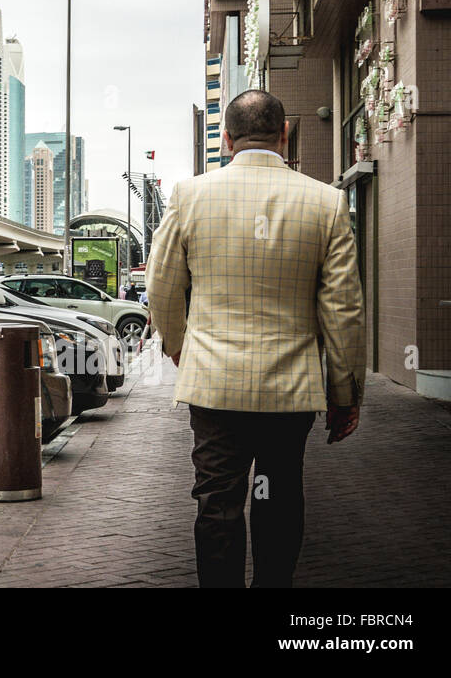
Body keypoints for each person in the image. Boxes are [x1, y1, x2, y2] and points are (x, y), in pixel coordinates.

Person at [146, 89, 365, 589]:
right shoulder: (327, 203)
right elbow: (344, 310)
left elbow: (161, 289)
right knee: (278, 494)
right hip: (289, 391)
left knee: (217, 500)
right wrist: (344, 392)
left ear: (225, 140)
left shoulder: (189, 195)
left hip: (214, 386)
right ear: (284, 135)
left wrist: (181, 347)